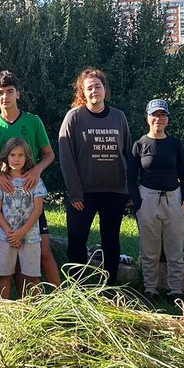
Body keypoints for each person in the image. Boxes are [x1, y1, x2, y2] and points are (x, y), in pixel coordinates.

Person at [0, 71, 61, 288]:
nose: (5, 97)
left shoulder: (33, 122)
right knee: (12, 255)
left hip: (29, 193)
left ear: (18, 94)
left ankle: (63, 300)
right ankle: (18, 306)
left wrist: (36, 171)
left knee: (43, 250)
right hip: (6, 195)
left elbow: (49, 154)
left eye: (10, 92)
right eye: (1, 93)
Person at [58, 68, 132, 285]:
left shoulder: (118, 117)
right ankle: (77, 288)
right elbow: (66, 158)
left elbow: (127, 153)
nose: (94, 91)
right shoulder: (74, 117)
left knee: (111, 242)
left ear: (105, 89)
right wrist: (75, 194)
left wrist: (128, 189)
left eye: (97, 86)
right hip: (83, 195)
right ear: (83, 91)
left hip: (114, 192)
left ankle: (109, 287)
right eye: (89, 88)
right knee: (77, 241)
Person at [129, 98, 184, 304]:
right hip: (148, 198)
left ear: (168, 119)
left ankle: (175, 291)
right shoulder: (139, 145)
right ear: (147, 118)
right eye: (155, 115)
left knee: (175, 249)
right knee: (149, 249)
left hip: (174, 198)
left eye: (163, 115)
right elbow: (130, 177)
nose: (159, 119)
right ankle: (150, 289)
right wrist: (137, 203)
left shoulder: (175, 144)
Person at [0, 137, 47, 299]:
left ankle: (36, 311)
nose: (16, 159)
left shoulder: (34, 180)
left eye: (21, 155)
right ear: (6, 157)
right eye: (13, 155)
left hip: (30, 237)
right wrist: (10, 233)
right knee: (4, 276)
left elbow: (38, 210)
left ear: (27, 157)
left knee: (33, 277)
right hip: (5, 237)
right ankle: (3, 313)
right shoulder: (1, 181)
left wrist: (21, 232)